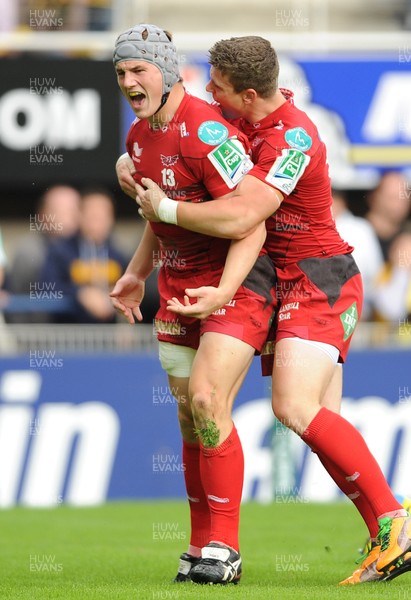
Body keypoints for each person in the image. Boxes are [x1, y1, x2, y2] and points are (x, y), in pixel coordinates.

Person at [129, 36, 411, 585]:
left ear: (246, 94)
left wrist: (164, 206)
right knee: (317, 422)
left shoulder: (295, 138)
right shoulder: (240, 114)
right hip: (279, 283)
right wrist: (132, 159)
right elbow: (177, 131)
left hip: (319, 279)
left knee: (293, 407)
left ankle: (394, 519)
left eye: (216, 86)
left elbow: (247, 213)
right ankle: (391, 526)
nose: (207, 93)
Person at [110, 24, 275, 586]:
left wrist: (227, 292)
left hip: (235, 285)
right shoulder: (138, 138)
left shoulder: (205, 128)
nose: (129, 82)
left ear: (168, 68)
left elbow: (249, 219)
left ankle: (224, 551)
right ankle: (199, 544)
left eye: (139, 70)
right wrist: (136, 274)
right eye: (121, 74)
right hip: (178, 292)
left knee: (206, 399)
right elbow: (162, 217)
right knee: (188, 417)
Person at [41, 187, 128, 323]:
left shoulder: (119, 255)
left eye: (102, 215)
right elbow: (47, 287)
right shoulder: (60, 251)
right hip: (68, 333)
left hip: (108, 336)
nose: (96, 221)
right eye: (92, 214)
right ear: (79, 216)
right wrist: (80, 293)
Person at [6, 184, 81, 323]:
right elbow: (15, 301)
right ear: (42, 213)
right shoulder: (28, 252)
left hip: (79, 336)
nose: (67, 218)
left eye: (72, 211)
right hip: (39, 335)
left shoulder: (88, 247)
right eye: (58, 211)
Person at [332, 189, 384, 319]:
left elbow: (376, 273)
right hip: (322, 310)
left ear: (341, 202)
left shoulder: (361, 228)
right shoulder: (310, 227)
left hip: (358, 310)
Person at [365, 171, 411, 261]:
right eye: (392, 197)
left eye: (404, 197)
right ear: (374, 197)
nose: (399, 204)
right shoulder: (355, 235)